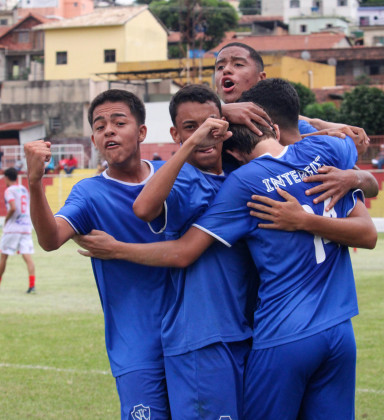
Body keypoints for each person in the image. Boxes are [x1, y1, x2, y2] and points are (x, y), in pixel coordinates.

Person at [75, 79, 377, 419]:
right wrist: (355, 173)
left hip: (277, 334)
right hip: (324, 327)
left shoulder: (242, 183)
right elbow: (360, 169)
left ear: (229, 144)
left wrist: (116, 249)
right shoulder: (324, 152)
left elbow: (183, 251)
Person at [24, 89, 174, 420]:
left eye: (119, 122)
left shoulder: (175, 174)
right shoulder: (89, 193)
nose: (108, 130)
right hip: (136, 345)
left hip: (191, 336)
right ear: (93, 138)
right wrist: (35, 183)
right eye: (100, 125)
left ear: (142, 132)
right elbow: (50, 239)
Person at [132, 84, 258, 420]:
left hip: (243, 332)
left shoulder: (239, 174)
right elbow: (144, 208)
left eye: (211, 125)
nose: (205, 134)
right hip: (200, 337)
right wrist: (193, 142)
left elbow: (283, 126)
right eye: (190, 127)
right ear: (175, 134)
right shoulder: (181, 178)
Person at [216, 42, 379, 208]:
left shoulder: (295, 124)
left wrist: (351, 178)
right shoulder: (208, 126)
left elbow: (371, 185)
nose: (227, 70)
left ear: (261, 78)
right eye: (220, 67)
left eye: (238, 64)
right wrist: (222, 110)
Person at [0, 167, 36, 293]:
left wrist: (6, 220)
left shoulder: (9, 190)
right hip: (25, 227)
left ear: (6, 177)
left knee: (3, 256)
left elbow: (13, 207)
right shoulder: (24, 189)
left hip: (13, 228)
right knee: (28, 257)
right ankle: (32, 285)